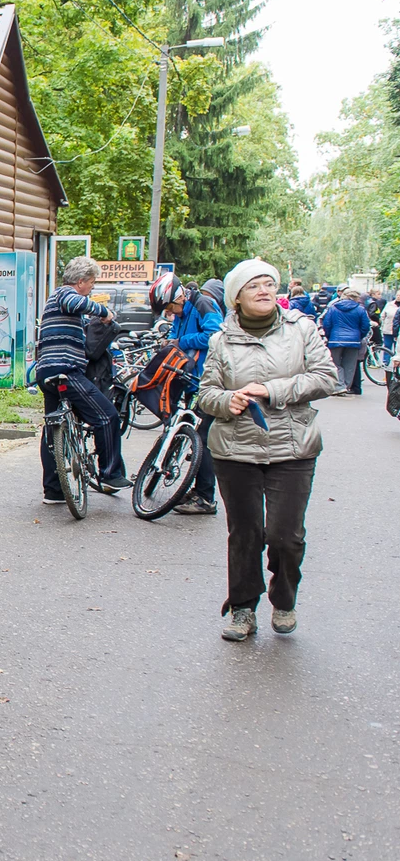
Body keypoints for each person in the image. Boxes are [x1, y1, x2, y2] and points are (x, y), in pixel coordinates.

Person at [195, 259, 339, 641]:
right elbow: (206, 393)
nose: (264, 290)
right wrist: (226, 400)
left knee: (285, 536)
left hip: (293, 448)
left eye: (269, 284)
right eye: (254, 285)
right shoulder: (221, 339)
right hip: (235, 450)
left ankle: (284, 598)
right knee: (245, 534)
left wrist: (271, 390)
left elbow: (327, 377)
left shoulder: (301, 329)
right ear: (236, 298)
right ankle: (242, 609)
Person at [36, 256, 132, 502]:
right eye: (91, 283)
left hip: (46, 371)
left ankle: (54, 491)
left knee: (53, 427)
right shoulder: (64, 294)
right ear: (80, 281)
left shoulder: (58, 302)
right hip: (66, 370)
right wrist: (105, 313)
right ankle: (110, 474)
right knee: (107, 415)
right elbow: (74, 301)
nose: (92, 288)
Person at [149, 271, 223, 515]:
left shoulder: (203, 304)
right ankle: (197, 490)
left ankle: (205, 498)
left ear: (179, 296)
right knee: (192, 434)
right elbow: (175, 335)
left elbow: (215, 336)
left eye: (170, 308)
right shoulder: (182, 312)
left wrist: (182, 341)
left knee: (201, 438)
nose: (170, 313)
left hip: (207, 381)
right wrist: (171, 342)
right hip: (190, 380)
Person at [319, 287, 371, 395]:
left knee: (335, 364)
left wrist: (329, 336)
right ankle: (345, 386)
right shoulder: (360, 309)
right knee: (350, 365)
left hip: (335, 340)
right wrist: (359, 336)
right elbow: (365, 326)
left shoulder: (333, 308)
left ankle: (339, 386)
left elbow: (327, 324)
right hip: (354, 341)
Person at [380, 294, 399, 366]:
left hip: (398, 331)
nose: (398, 297)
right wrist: (382, 325)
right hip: (388, 329)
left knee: (397, 348)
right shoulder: (389, 305)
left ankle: (396, 365)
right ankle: (385, 363)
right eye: (397, 295)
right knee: (387, 346)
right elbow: (382, 316)